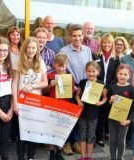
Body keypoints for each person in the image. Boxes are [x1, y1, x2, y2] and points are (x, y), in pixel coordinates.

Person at [12, 37, 48, 160]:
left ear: (37, 49)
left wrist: (32, 86)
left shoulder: (40, 62)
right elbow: (14, 83)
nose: (31, 50)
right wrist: (15, 102)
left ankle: (31, 156)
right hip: (21, 102)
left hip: (35, 102)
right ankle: (20, 157)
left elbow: (45, 83)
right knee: (21, 132)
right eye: (28, 47)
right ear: (24, 48)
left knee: (33, 131)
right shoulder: (18, 62)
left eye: (33, 47)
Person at [60, 24, 92, 155]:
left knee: (81, 117)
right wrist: (73, 87)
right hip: (69, 87)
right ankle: (66, 142)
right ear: (70, 37)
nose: (77, 38)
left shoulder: (88, 50)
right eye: (74, 36)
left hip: (84, 88)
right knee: (67, 116)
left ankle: (76, 141)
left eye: (79, 35)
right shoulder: (63, 51)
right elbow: (62, 71)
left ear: (83, 36)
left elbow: (90, 69)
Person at [75, 61, 107, 160]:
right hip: (83, 112)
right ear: (86, 71)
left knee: (91, 135)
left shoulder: (101, 84)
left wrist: (101, 102)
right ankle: (83, 156)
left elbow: (105, 97)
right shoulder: (82, 82)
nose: (91, 73)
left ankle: (89, 156)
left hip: (94, 113)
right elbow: (77, 95)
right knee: (82, 134)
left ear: (98, 72)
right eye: (89, 71)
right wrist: (79, 101)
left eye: (94, 71)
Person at [44, 53, 74, 160]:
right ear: (54, 64)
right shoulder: (49, 76)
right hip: (52, 106)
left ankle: (59, 151)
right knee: (52, 129)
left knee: (61, 130)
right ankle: (52, 152)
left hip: (64, 106)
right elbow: (43, 91)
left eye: (64, 66)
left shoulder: (69, 77)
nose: (61, 68)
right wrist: (50, 85)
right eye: (59, 66)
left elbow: (71, 93)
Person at [95, 33, 120, 147]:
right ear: (101, 43)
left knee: (108, 113)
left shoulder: (116, 59)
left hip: (110, 90)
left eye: (109, 42)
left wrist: (108, 89)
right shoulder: (96, 56)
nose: (106, 45)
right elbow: (94, 72)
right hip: (97, 89)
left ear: (112, 44)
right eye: (104, 42)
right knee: (99, 114)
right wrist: (101, 87)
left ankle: (107, 133)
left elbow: (116, 76)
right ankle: (98, 137)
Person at [108, 64, 134, 160]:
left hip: (124, 120)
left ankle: (119, 158)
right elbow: (108, 105)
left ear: (129, 76)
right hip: (112, 119)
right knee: (112, 140)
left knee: (121, 141)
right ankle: (113, 158)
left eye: (125, 74)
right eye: (120, 74)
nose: (122, 76)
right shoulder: (112, 87)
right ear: (117, 74)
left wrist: (129, 120)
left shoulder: (131, 89)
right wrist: (110, 101)